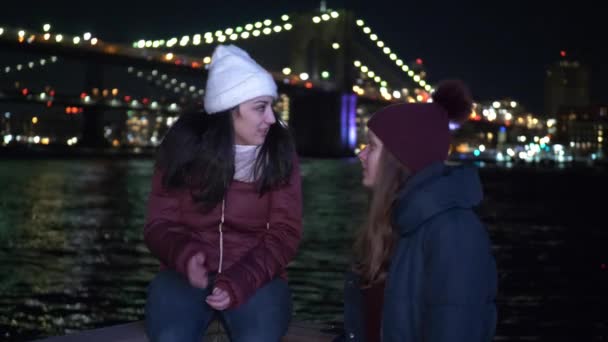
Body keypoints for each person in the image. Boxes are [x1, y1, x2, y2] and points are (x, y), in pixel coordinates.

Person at [143, 44, 302, 342]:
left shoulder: (280, 153)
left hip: (257, 277)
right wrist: (185, 256)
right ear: (230, 109)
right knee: (170, 337)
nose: (271, 118)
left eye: (271, 107)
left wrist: (240, 281)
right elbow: (158, 225)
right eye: (260, 107)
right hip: (183, 274)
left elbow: (285, 233)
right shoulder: (182, 149)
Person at [341, 80, 497, 341]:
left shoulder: (454, 233)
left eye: (373, 146)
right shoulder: (393, 223)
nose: (361, 154)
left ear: (399, 158)